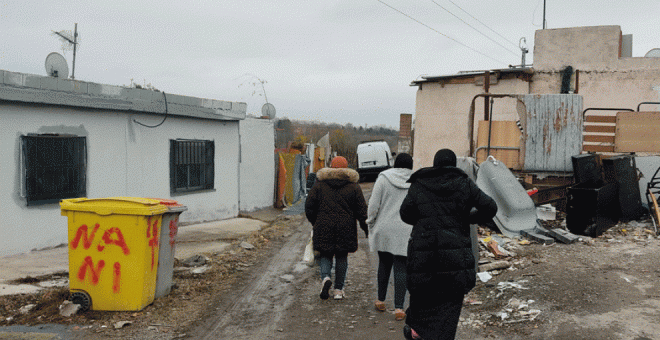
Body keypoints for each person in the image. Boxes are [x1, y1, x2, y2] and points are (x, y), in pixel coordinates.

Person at [400, 149, 497, 340]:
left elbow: (405, 214)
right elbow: (490, 207)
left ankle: (417, 332)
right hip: (454, 258)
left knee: (422, 297)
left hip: (424, 257)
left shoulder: (419, 183)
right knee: (449, 305)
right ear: (454, 164)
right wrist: (467, 218)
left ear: (435, 163)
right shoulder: (464, 183)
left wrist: (425, 222)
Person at [305, 156, 369, 300]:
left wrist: (315, 221)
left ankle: (326, 278)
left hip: (323, 225)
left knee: (325, 254)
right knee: (341, 256)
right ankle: (338, 290)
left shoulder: (319, 185)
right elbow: (362, 211)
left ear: (330, 167)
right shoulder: (353, 187)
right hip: (345, 227)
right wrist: (365, 228)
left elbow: (309, 206)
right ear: (346, 169)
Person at [366, 153, 413, 321]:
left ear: (395, 164)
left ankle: (380, 299)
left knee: (384, 264)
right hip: (406, 229)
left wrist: (370, 222)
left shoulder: (384, 178)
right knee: (401, 267)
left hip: (384, 228)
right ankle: (399, 308)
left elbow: (373, 204)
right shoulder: (415, 181)